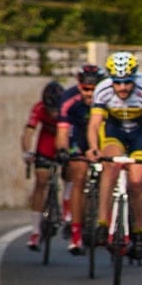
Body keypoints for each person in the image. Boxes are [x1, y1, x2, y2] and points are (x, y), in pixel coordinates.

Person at [86, 52, 142, 260]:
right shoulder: (102, 90)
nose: (122, 88)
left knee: (138, 180)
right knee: (109, 167)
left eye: (127, 82)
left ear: (134, 78)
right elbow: (94, 124)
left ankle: (138, 228)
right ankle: (102, 222)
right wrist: (93, 148)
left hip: (140, 132)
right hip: (115, 131)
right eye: (117, 83)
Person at [55, 64, 107, 254]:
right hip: (77, 137)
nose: (90, 94)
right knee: (79, 176)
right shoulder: (69, 98)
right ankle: (76, 234)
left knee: (109, 174)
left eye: (94, 89)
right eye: (86, 89)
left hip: (100, 137)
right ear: (79, 85)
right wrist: (62, 149)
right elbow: (62, 130)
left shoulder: (108, 96)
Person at [21, 80, 65, 250]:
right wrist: (27, 151)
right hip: (46, 143)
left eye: (56, 109)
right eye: (51, 109)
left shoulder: (67, 107)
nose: (54, 114)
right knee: (41, 181)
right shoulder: (39, 108)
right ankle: (35, 230)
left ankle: (67, 212)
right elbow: (29, 132)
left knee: (73, 172)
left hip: (65, 141)